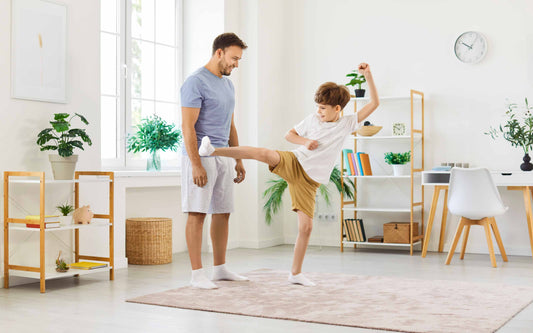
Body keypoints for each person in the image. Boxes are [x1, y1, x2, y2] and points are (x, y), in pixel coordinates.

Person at [198, 63, 379, 286]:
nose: (318, 111)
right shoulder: (312, 120)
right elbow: (289, 135)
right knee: (263, 153)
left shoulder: (348, 123)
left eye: (323, 108)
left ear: (337, 109)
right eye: (318, 106)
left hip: (310, 182)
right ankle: (213, 150)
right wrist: (305, 141)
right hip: (295, 161)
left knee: (306, 228)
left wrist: (368, 76)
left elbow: (374, 103)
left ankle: (295, 274)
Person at [180, 33, 248, 289]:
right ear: (219, 52)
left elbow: (230, 124)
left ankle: (219, 269)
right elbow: (188, 128)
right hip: (201, 155)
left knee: (222, 212)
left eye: (239, 59)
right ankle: (197, 274)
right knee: (197, 214)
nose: (236, 64)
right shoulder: (195, 82)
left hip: (223, 155)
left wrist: (238, 158)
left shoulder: (228, 85)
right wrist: (196, 163)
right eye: (234, 58)